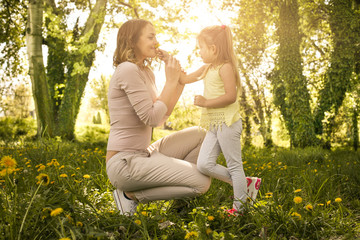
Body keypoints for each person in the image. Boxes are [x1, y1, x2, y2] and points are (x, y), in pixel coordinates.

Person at [106, 19, 211, 215]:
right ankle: (129, 195)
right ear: (132, 40)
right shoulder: (127, 70)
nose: (156, 42)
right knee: (202, 182)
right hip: (124, 163)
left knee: (200, 135)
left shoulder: (146, 72)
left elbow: (161, 118)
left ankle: (182, 201)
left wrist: (179, 82)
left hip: (144, 153)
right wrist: (170, 81)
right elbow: (151, 118)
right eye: (150, 37)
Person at [180, 25, 261, 212]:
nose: (199, 52)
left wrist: (206, 102)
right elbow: (184, 79)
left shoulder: (226, 67)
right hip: (215, 124)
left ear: (213, 49)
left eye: (201, 47)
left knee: (234, 165)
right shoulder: (207, 68)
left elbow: (230, 97)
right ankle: (245, 183)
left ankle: (239, 210)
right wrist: (168, 60)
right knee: (204, 164)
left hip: (228, 123)